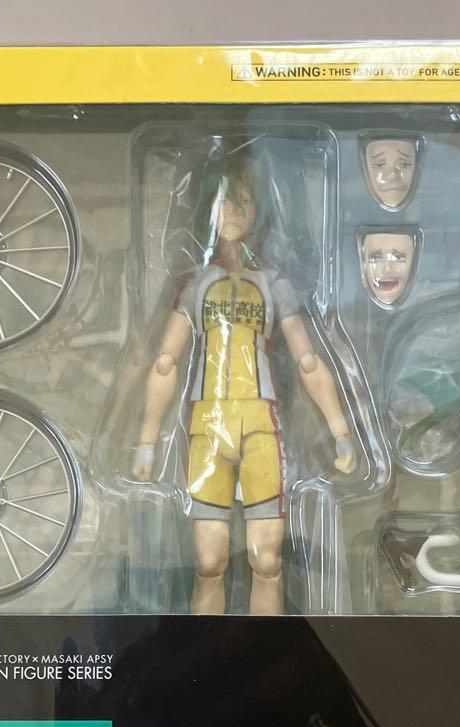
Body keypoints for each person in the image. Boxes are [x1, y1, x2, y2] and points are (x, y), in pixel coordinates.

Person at [132, 153, 356, 614]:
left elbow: (308, 361)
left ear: (259, 211)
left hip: (261, 425)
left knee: (267, 559)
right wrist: (147, 443)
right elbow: (165, 363)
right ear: (208, 210)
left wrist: (340, 431)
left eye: (244, 201)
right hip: (207, 427)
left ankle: (263, 652)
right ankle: (206, 654)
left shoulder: (273, 283)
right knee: (208, 562)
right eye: (224, 202)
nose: (233, 212)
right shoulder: (196, 285)